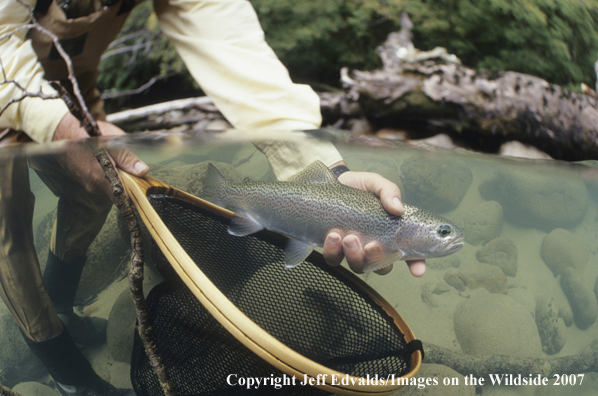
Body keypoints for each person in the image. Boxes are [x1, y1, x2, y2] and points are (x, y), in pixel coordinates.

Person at [0, 0, 426, 394]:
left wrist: (322, 169)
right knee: (9, 238)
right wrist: (60, 128)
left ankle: (61, 305)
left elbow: (229, 41)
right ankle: (65, 369)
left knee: (90, 201)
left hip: (72, 94)